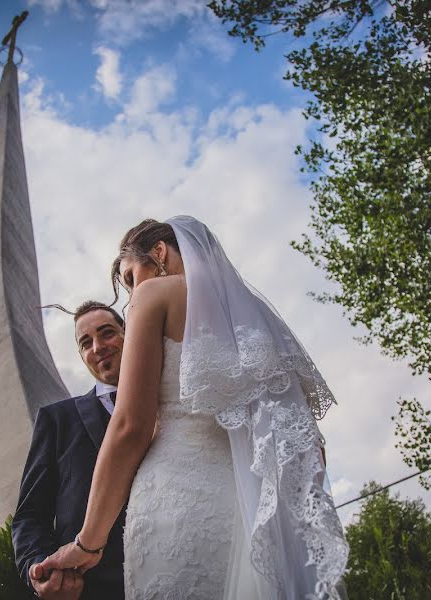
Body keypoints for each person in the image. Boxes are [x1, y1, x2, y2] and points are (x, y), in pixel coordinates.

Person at [38, 217, 348, 599]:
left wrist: (87, 543)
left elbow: (130, 427)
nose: (134, 292)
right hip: (253, 521)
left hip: (178, 509)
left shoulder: (154, 297)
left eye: (131, 277)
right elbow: (309, 449)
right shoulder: (256, 320)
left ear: (160, 253)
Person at [11, 300, 128, 600]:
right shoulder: (57, 420)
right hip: (98, 589)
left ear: (128, 333)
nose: (98, 347)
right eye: (86, 343)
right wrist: (38, 566)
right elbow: (30, 515)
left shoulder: (174, 397)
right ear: (81, 355)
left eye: (107, 333)